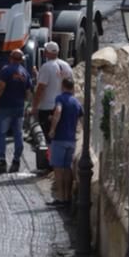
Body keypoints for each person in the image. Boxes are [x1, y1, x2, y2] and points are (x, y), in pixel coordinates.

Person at [0, 49, 33, 174]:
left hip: (6, 107)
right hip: (19, 108)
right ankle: (16, 161)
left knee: (1, 134)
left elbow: (1, 86)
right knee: (18, 134)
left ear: (10, 58)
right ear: (21, 60)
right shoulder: (25, 73)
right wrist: (25, 105)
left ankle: (1, 162)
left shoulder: (6, 70)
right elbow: (28, 92)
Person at [47, 78, 82, 207]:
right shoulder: (76, 102)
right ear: (72, 87)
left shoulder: (60, 99)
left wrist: (52, 129)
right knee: (67, 169)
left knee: (58, 169)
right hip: (71, 140)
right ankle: (68, 197)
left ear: (62, 86)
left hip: (60, 138)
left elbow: (58, 112)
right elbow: (81, 118)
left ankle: (60, 198)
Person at [32, 41, 73, 145]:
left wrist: (34, 107)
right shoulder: (67, 66)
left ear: (47, 52)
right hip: (64, 106)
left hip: (48, 107)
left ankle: (50, 158)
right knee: (60, 134)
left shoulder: (46, 67)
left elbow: (41, 88)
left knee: (49, 136)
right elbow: (71, 86)